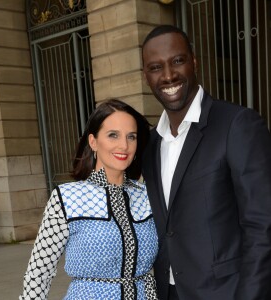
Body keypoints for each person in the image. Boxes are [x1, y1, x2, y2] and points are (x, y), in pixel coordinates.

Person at [141, 24, 271, 300]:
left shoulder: (236, 125)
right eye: (155, 67)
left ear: (194, 62)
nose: (168, 75)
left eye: (177, 61)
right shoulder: (150, 145)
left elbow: (263, 226)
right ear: (146, 76)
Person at [19, 98, 159, 300]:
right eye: (113, 135)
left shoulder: (146, 195)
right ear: (93, 141)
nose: (124, 145)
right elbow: (39, 273)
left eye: (131, 137)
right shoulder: (67, 198)